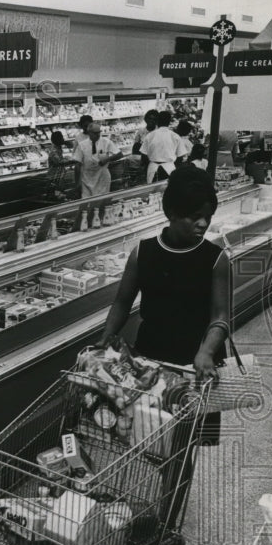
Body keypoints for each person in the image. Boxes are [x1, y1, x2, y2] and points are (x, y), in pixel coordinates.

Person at [97, 166, 228, 526]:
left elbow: (220, 317)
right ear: (171, 213)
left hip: (191, 369)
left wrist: (205, 350)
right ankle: (150, 505)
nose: (202, 224)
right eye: (193, 216)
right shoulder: (143, 253)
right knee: (148, 439)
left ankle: (168, 522)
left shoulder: (215, 259)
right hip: (149, 364)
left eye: (207, 217)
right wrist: (105, 337)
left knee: (180, 450)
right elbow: (123, 302)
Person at [71, 122, 122, 198]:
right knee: (87, 202)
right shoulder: (82, 145)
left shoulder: (106, 142)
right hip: (87, 179)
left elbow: (120, 154)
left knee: (102, 201)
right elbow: (77, 165)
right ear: (89, 133)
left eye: (99, 132)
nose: (98, 135)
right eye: (95, 133)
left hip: (102, 177)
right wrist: (77, 183)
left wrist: (107, 159)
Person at [142, 110, 183, 183]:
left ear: (157, 121)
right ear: (169, 122)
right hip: (170, 168)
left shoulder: (150, 136)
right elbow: (180, 157)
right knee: (169, 192)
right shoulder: (175, 136)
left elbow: (144, 156)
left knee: (152, 192)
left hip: (153, 168)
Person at [46, 130, 71, 201]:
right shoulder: (54, 151)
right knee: (54, 193)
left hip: (58, 174)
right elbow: (59, 161)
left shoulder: (58, 147)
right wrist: (70, 160)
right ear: (57, 140)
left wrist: (66, 143)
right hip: (54, 176)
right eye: (61, 138)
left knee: (58, 191)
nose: (63, 139)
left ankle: (58, 197)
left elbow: (70, 145)